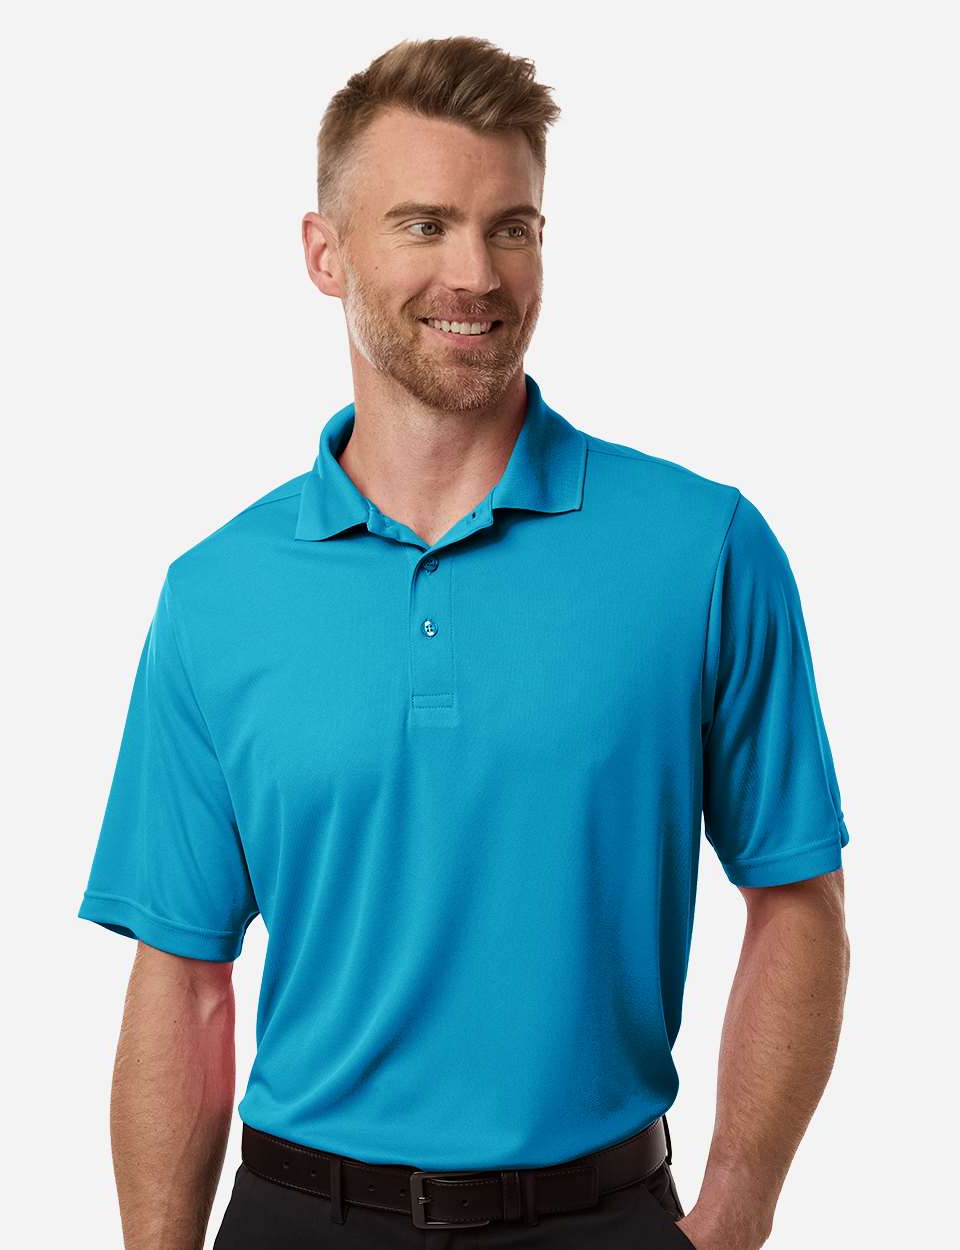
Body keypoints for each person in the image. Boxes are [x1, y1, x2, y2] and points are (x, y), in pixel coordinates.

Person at [77, 35, 852, 1250]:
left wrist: (735, 1210)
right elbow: (181, 981)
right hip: (300, 1217)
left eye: (512, 227)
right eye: (424, 225)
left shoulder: (703, 548)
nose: (476, 274)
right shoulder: (216, 594)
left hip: (601, 1215)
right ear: (325, 254)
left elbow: (797, 895)